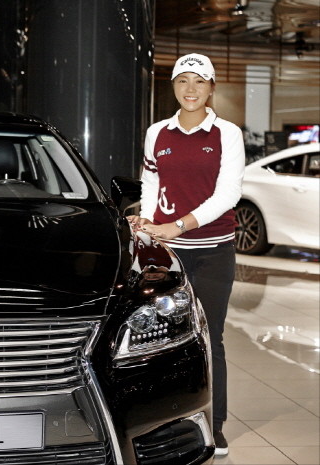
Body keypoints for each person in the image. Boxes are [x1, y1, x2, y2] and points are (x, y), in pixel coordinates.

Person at [127, 53, 245, 457]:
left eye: (199, 81)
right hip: (168, 255)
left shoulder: (227, 133)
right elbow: (150, 181)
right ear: (173, 86)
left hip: (212, 251)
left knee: (210, 338)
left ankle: (215, 424)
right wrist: (147, 219)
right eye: (182, 80)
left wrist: (178, 225)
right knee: (157, 340)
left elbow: (228, 193)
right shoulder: (157, 132)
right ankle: (163, 421)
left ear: (211, 88)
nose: (190, 89)